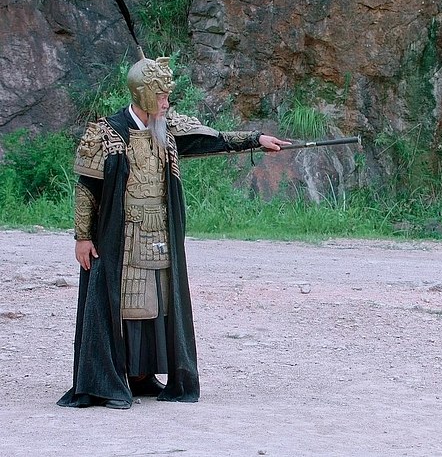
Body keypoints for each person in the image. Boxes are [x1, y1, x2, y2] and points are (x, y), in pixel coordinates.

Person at [57, 52, 290, 409]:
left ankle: (143, 374)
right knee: (126, 305)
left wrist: (256, 139)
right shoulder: (106, 132)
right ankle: (113, 379)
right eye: (162, 96)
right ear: (145, 95)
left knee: (160, 304)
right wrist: (83, 237)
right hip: (119, 235)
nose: (167, 102)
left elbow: (213, 138)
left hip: (160, 231)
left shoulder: (166, 129)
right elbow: (86, 188)